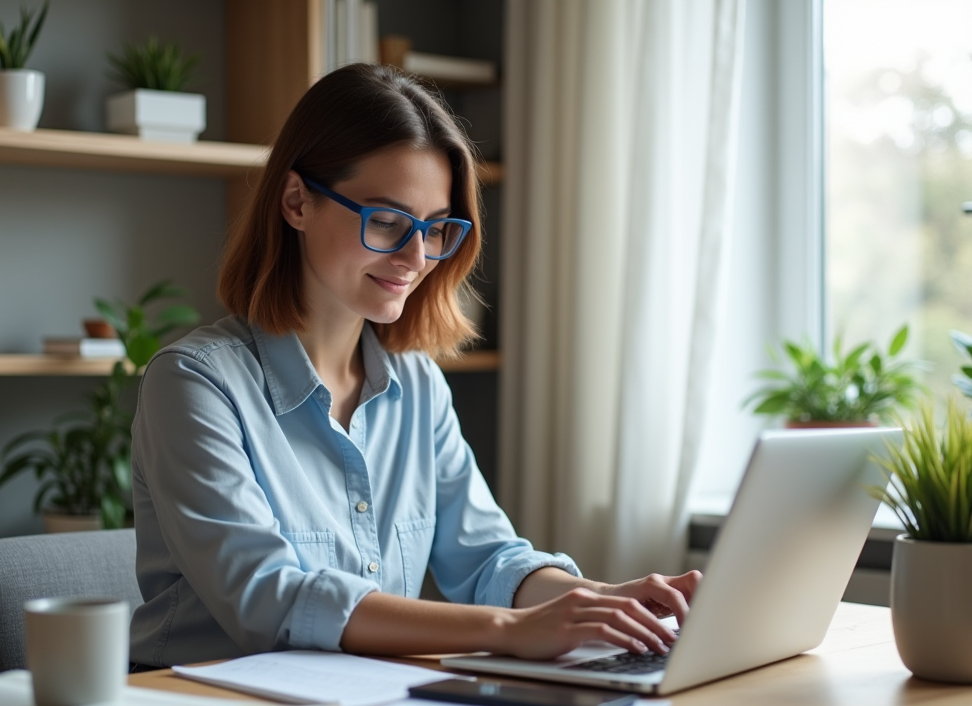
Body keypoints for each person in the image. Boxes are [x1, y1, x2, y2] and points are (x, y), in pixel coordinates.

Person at [129, 63, 701, 669]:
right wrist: (513, 628)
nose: (415, 256)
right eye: (387, 221)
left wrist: (599, 601)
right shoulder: (195, 384)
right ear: (296, 202)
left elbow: (486, 559)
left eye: (435, 229)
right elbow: (270, 600)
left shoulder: (417, 382)